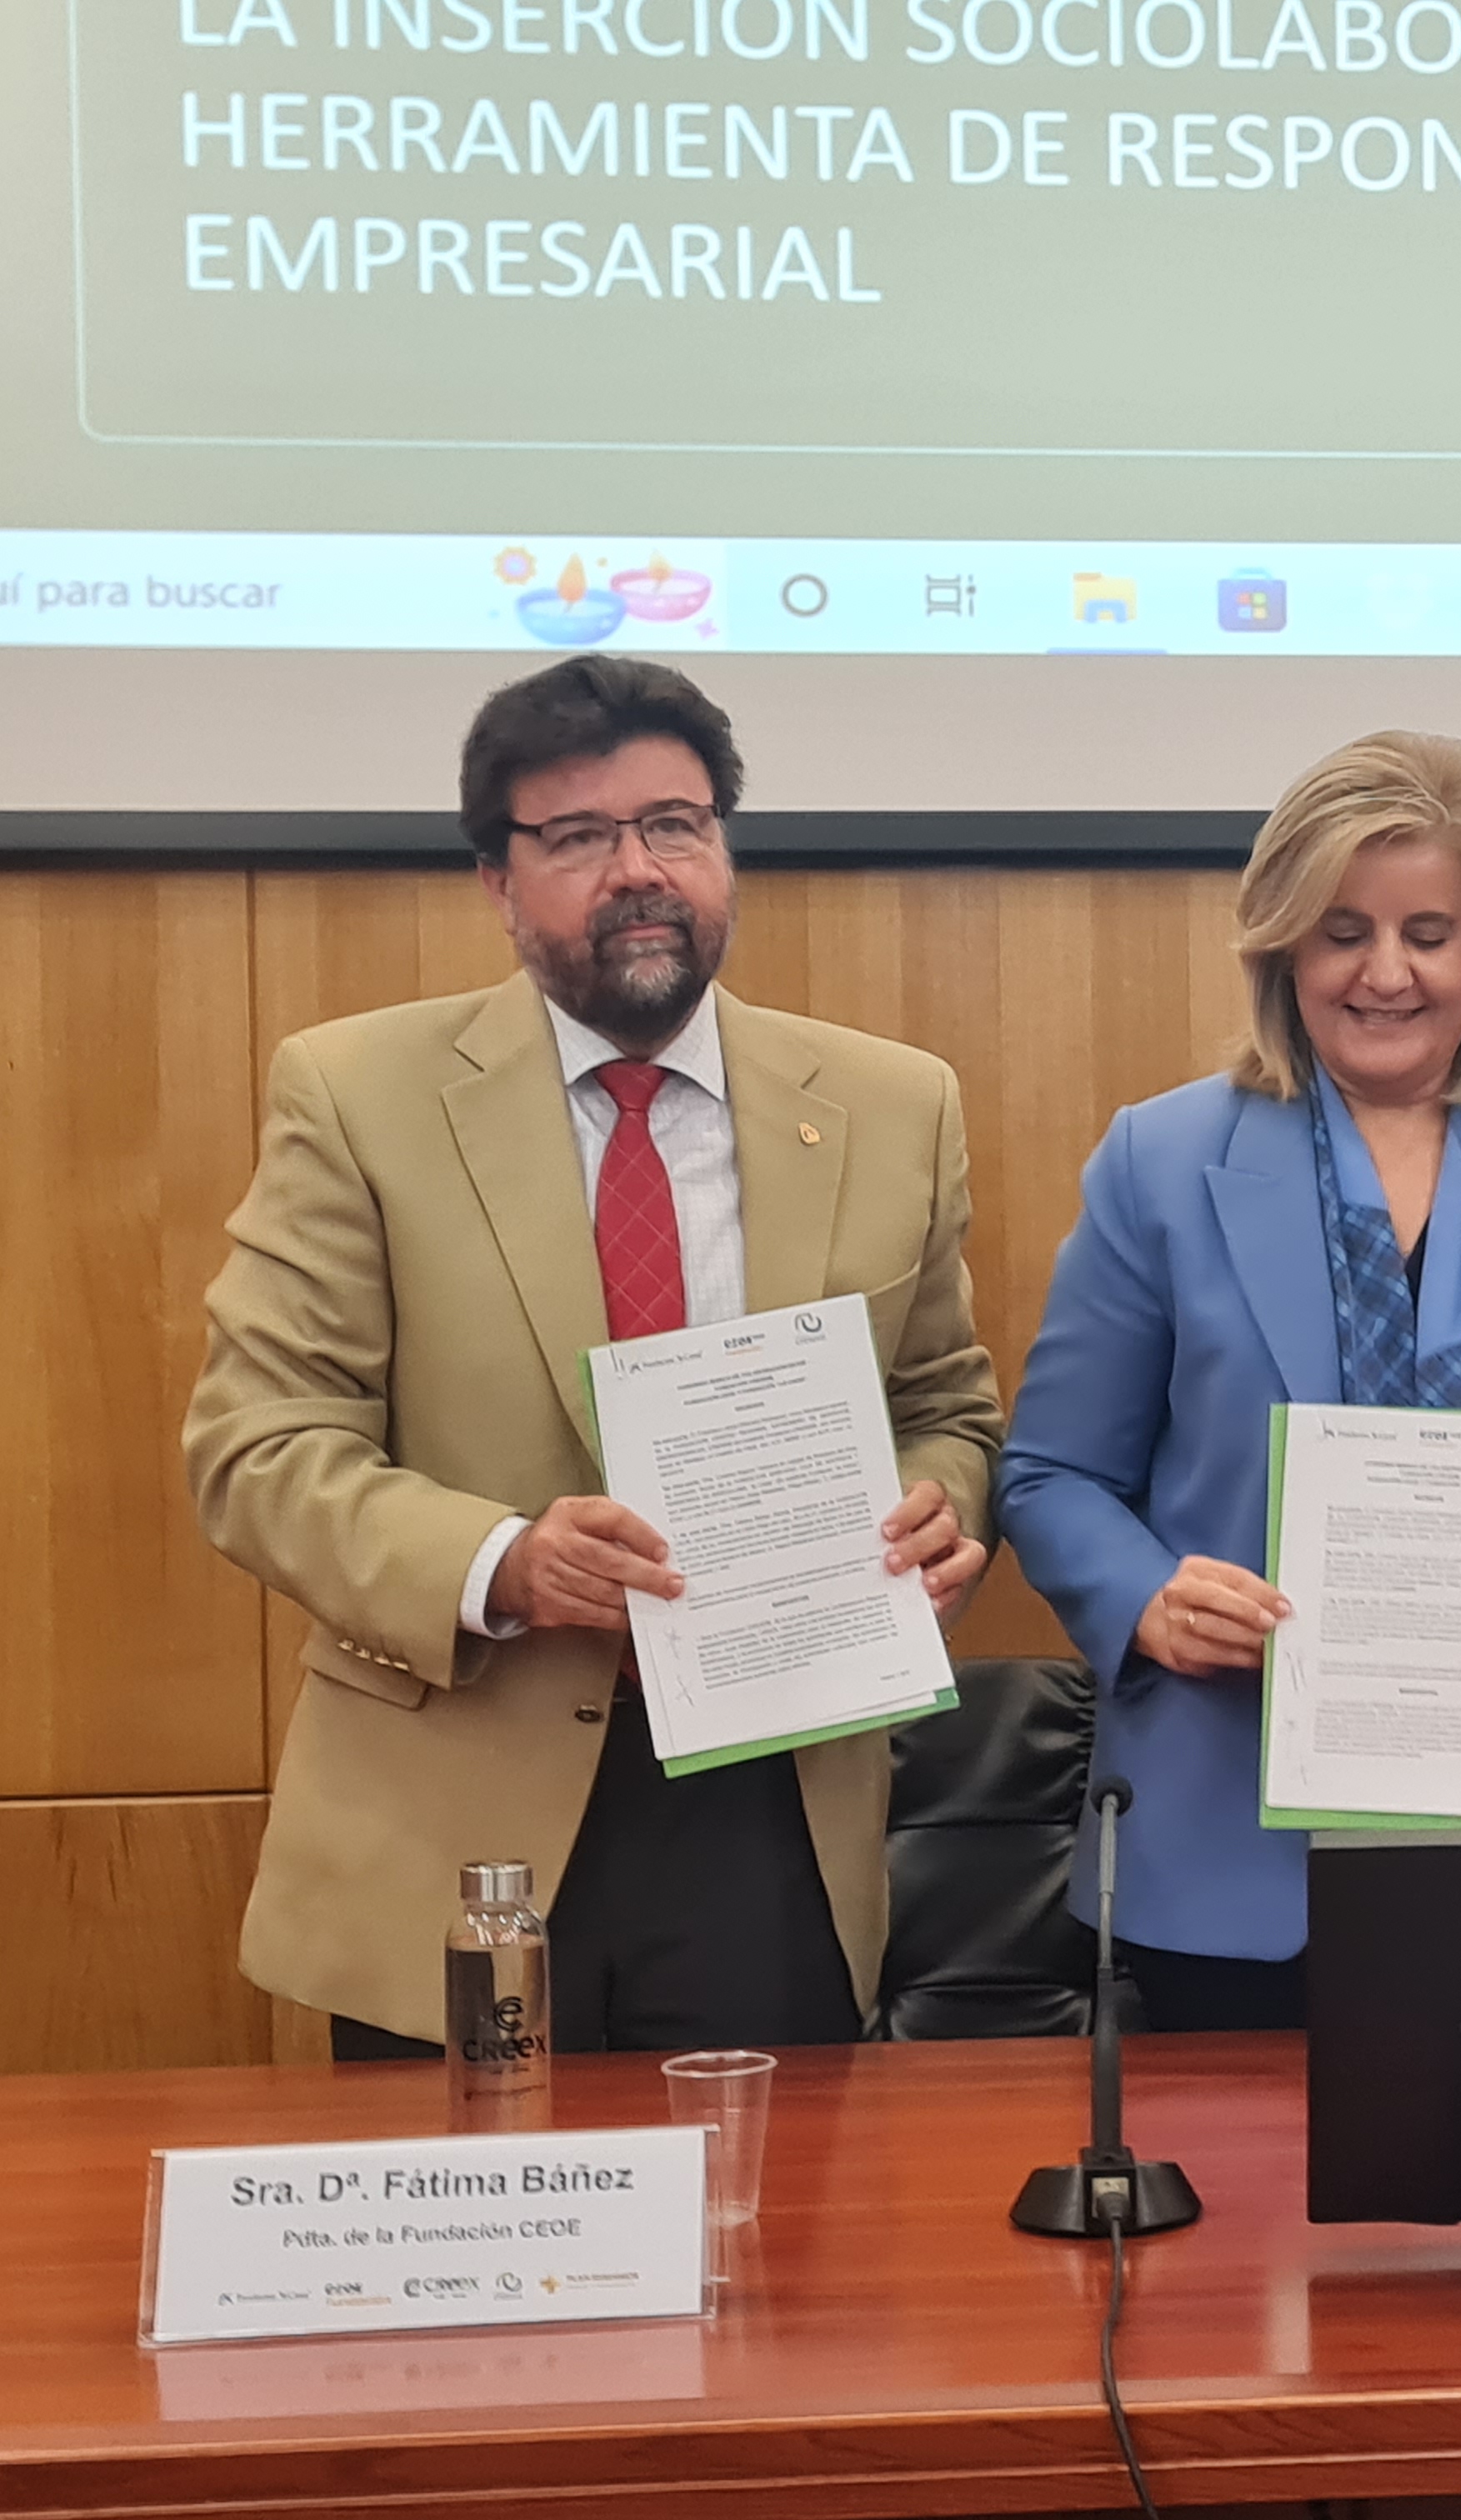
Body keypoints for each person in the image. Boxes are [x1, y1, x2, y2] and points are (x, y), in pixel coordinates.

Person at [184, 657, 1003, 2058]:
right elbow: (258, 1446)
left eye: (674, 825)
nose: (638, 869)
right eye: (577, 837)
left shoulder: (889, 1102)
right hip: (456, 1805)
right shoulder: (358, 1094)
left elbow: (943, 1405)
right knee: (459, 2259)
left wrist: (941, 1507)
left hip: (772, 1801)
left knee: (764, 2257)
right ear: (499, 882)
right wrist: (505, 1559)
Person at [996, 731, 1461, 2031]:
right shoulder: (1159, 1164)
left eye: (1428, 932)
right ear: (1283, 943)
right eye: (1342, 930)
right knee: (1235, 2229)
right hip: (1228, 1847)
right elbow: (1054, 1474)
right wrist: (1146, 1597)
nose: (1385, 972)